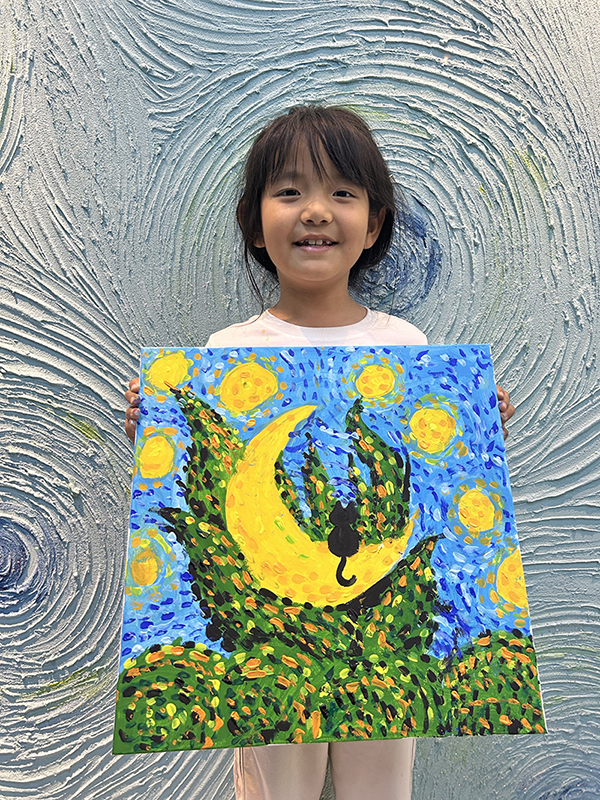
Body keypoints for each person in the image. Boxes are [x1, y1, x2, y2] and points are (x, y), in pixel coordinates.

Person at [124, 105, 515, 800]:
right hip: (269, 641)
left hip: (384, 634)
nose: (315, 211)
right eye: (289, 191)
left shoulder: (407, 346)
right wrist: (160, 431)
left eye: (342, 192)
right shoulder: (227, 352)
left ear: (375, 222)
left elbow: (431, 486)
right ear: (254, 222)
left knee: (382, 786)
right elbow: (208, 489)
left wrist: (478, 429)